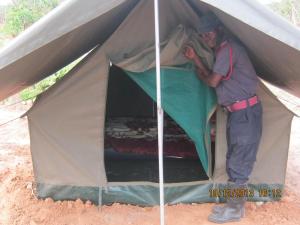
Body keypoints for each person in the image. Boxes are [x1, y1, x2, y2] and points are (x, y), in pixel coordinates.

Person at [183, 12, 263, 223]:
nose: (205, 37)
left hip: (246, 114)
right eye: (202, 35)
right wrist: (197, 60)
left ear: (218, 30)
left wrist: (203, 74)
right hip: (237, 114)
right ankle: (232, 206)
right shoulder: (222, 51)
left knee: (238, 164)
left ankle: (235, 210)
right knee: (232, 161)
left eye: (208, 32)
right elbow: (212, 76)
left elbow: (212, 81)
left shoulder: (229, 49)